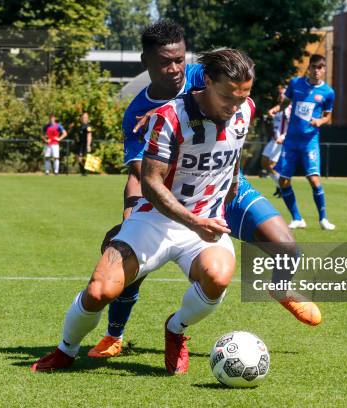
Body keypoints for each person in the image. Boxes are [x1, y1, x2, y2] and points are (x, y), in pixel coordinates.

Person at [86, 20, 321, 361]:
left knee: (286, 246)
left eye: (180, 59)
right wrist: (132, 213)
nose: (175, 68)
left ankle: (279, 287)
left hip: (226, 186)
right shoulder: (137, 112)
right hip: (174, 199)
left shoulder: (201, 74)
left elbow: (235, 81)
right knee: (127, 261)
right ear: (146, 62)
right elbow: (141, 172)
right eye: (165, 62)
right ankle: (114, 334)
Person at [31, 48, 255, 375]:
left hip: (204, 225)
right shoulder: (170, 117)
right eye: (227, 97)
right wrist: (194, 221)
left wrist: (233, 182)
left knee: (218, 277)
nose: (234, 106)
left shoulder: (244, 110)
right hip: (154, 221)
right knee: (99, 291)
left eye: (242, 97)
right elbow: (150, 183)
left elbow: (233, 154)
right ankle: (66, 350)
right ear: (207, 81)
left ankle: (176, 329)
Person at [273, 54, 336, 230]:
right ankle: (297, 218)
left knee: (314, 180)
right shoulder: (296, 84)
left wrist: (320, 122)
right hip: (291, 141)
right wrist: (276, 109)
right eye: (314, 67)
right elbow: (285, 103)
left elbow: (328, 116)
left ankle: (323, 219)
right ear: (308, 68)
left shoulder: (328, 92)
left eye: (320, 68)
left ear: (324, 70)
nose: (316, 71)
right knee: (283, 181)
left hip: (310, 141)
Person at [261, 94, 290, 196]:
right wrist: (270, 115)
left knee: (272, 166)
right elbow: (272, 113)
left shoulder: (289, 109)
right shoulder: (279, 107)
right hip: (273, 140)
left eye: (283, 94)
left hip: (280, 141)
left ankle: (284, 187)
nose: (281, 96)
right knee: (264, 163)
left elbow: (292, 126)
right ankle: (279, 186)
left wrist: (283, 136)